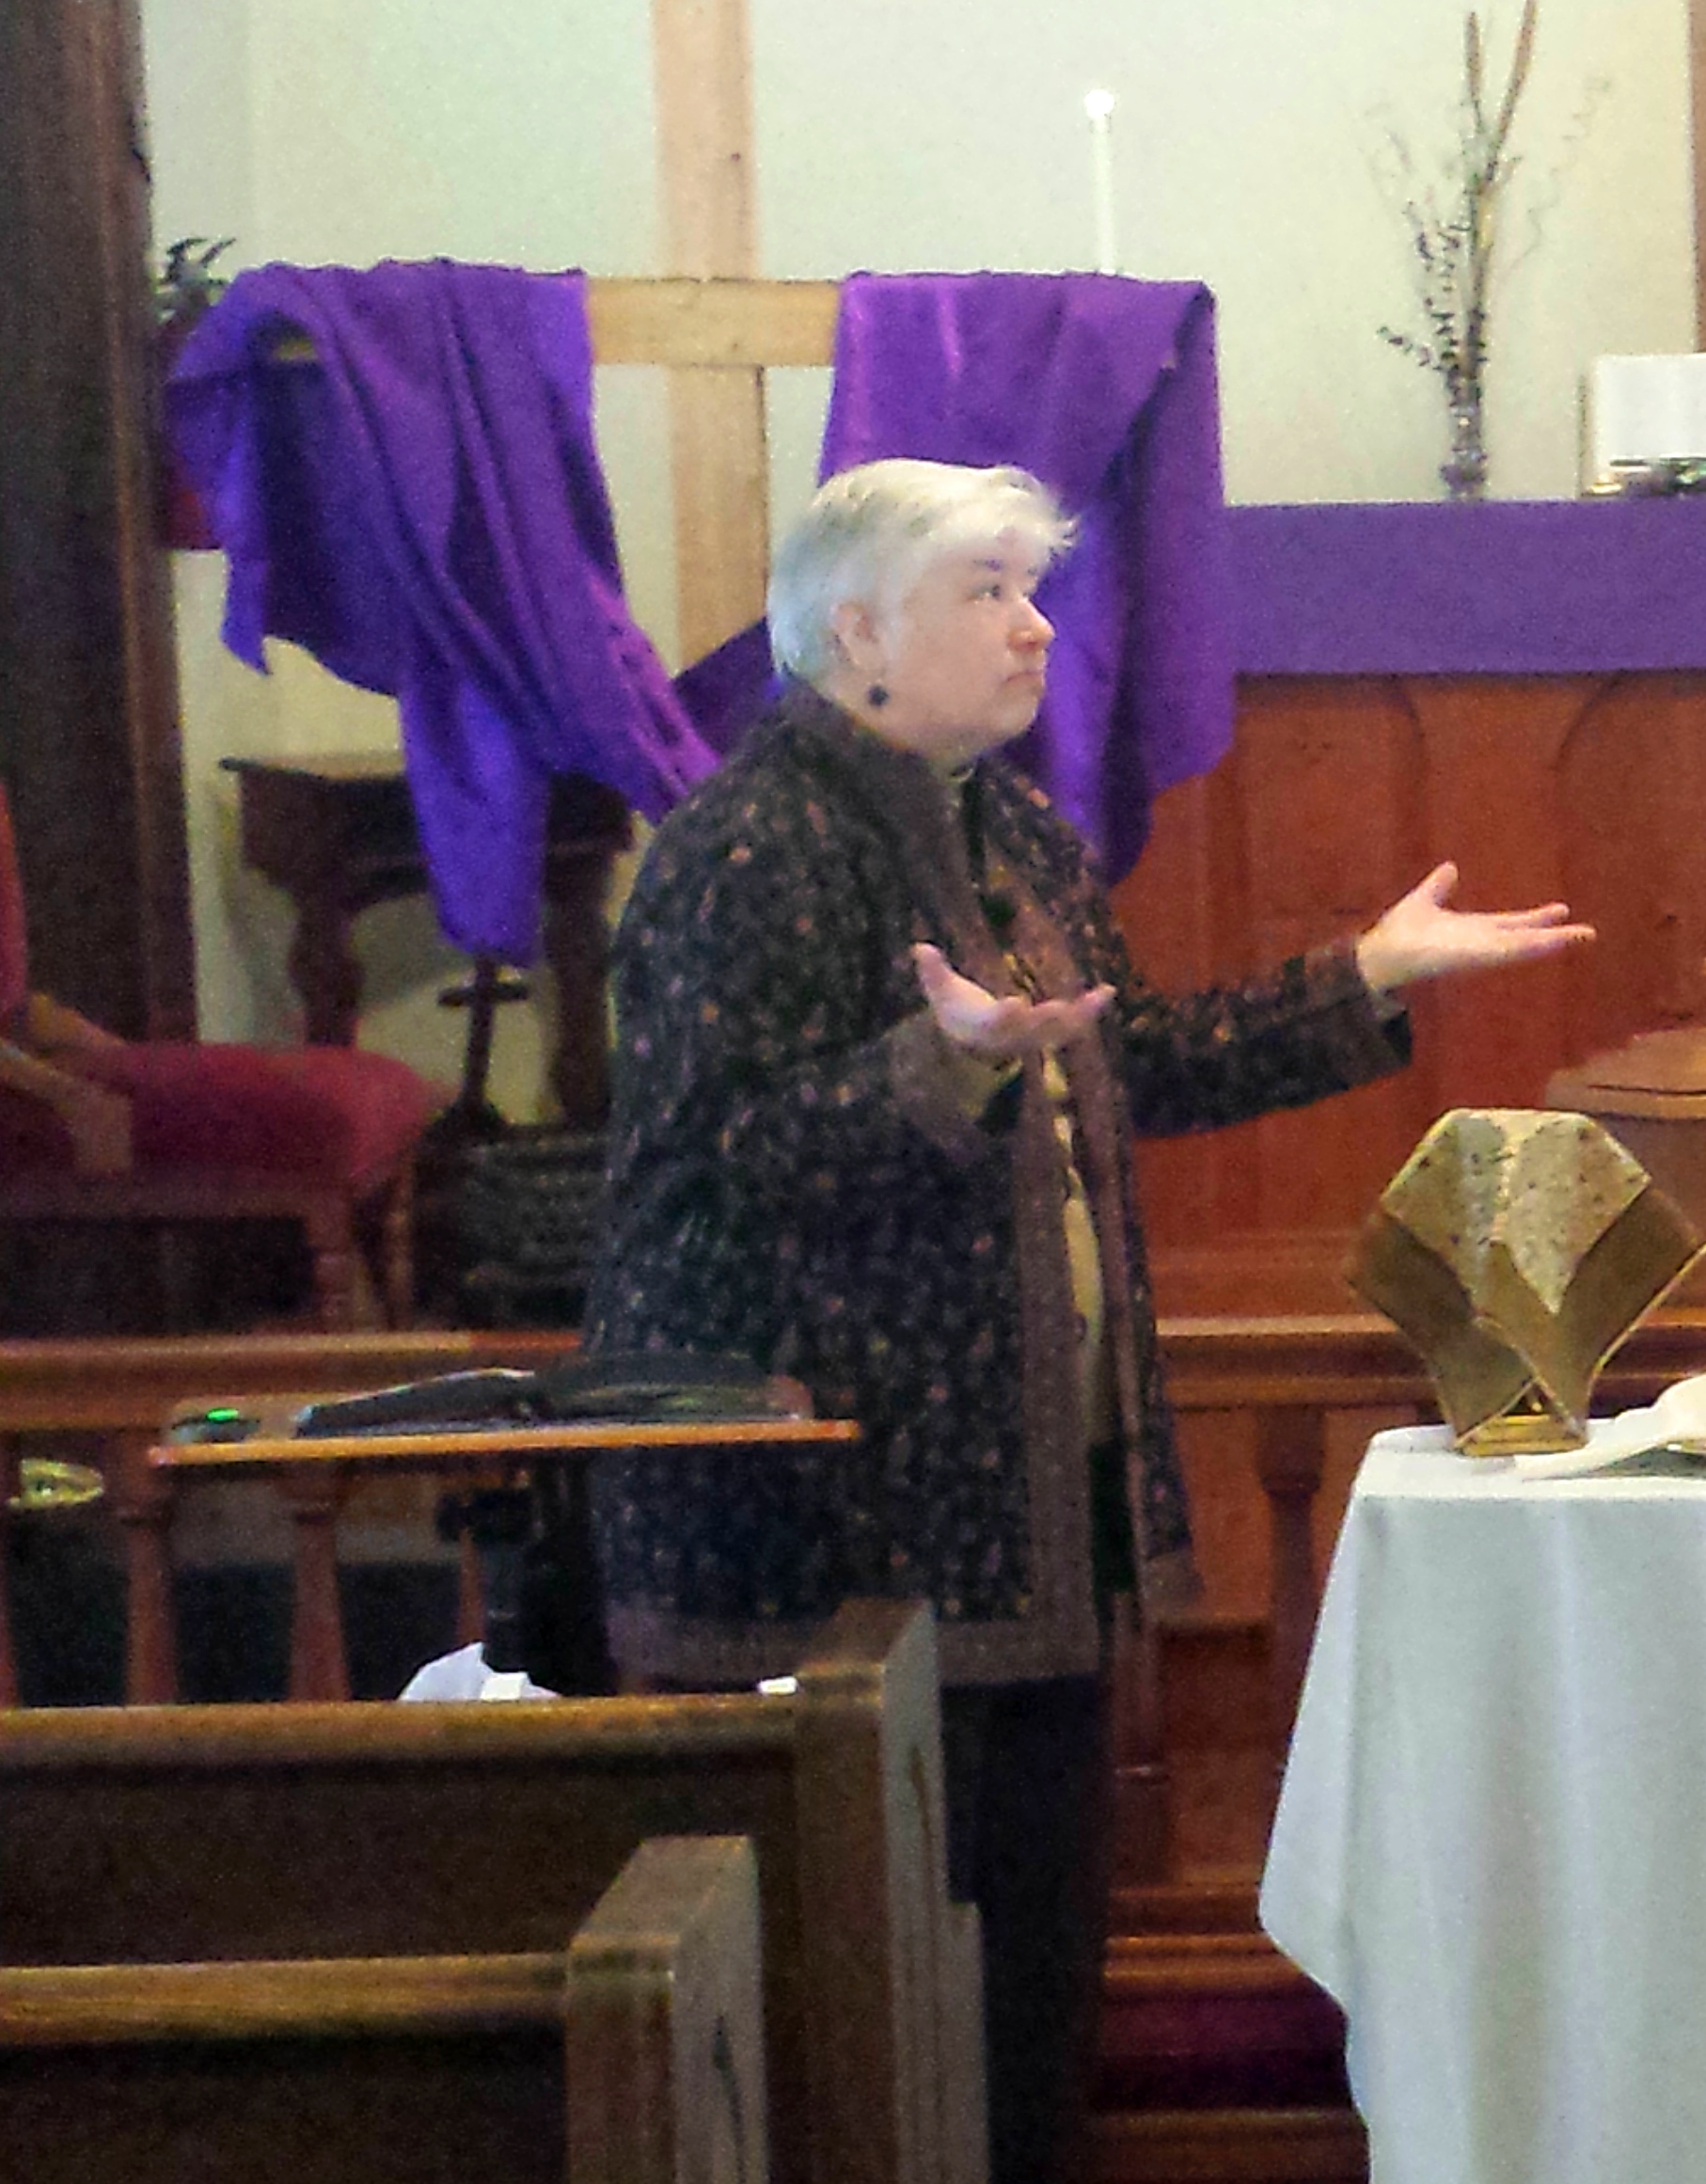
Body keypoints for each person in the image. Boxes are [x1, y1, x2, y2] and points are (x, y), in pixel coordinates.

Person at [586, 457, 1589, 2183]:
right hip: (832, 1539)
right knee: (874, 2035)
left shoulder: (1013, 833)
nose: (1035, 625)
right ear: (857, 632)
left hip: (1032, 1518)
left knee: (1030, 2012)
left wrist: (1364, 976)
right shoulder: (747, 847)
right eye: (986, 591)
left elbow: (1138, 1061)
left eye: (1031, 588)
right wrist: (934, 1066)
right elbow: (712, 1164)